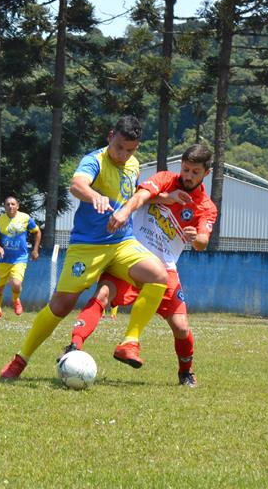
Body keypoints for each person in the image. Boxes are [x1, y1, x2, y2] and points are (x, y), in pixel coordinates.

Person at [0, 116, 169, 381]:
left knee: (159, 275)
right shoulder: (95, 161)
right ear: (110, 136)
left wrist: (163, 198)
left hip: (122, 243)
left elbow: (135, 193)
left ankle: (130, 342)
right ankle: (20, 360)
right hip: (88, 247)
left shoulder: (133, 164)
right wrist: (94, 196)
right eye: (120, 147)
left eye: (130, 150)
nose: (124, 155)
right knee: (61, 305)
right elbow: (77, 184)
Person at [65, 144, 218, 387]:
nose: (188, 176)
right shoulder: (166, 179)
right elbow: (140, 196)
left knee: (181, 327)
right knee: (103, 294)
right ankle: (73, 346)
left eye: (195, 172)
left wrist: (195, 237)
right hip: (132, 255)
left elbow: (202, 242)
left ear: (206, 174)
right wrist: (162, 199)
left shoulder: (206, 207)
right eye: (186, 169)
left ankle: (185, 372)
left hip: (165, 267)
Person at [0, 196, 41, 319]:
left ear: (17, 206)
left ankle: (16, 300)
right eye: (8, 204)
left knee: (16, 284)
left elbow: (37, 232)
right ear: (4, 206)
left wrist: (35, 250)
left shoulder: (25, 218)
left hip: (20, 258)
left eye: (13, 204)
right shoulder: (0, 220)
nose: (10, 206)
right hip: (3, 259)